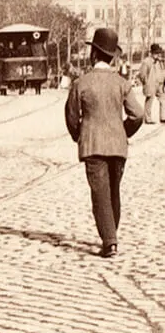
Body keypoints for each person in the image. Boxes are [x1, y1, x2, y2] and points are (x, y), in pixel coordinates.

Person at [64, 27, 143, 258]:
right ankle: (112, 236)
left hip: (93, 146)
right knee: (113, 192)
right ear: (111, 57)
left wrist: (79, 134)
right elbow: (137, 114)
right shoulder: (122, 83)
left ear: (94, 55)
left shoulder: (81, 83)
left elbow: (70, 115)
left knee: (100, 193)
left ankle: (109, 242)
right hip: (118, 146)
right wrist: (123, 131)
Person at [136, 43, 165, 124]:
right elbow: (142, 74)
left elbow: (162, 71)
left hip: (159, 84)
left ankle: (163, 117)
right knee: (150, 101)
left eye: (158, 53)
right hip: (150, 84)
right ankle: (148, 119)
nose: (157, 55)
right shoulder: (147, 61)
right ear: (151, 53)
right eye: (155, 53)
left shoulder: (159, 62)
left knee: (163, 99)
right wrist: (145, 82)